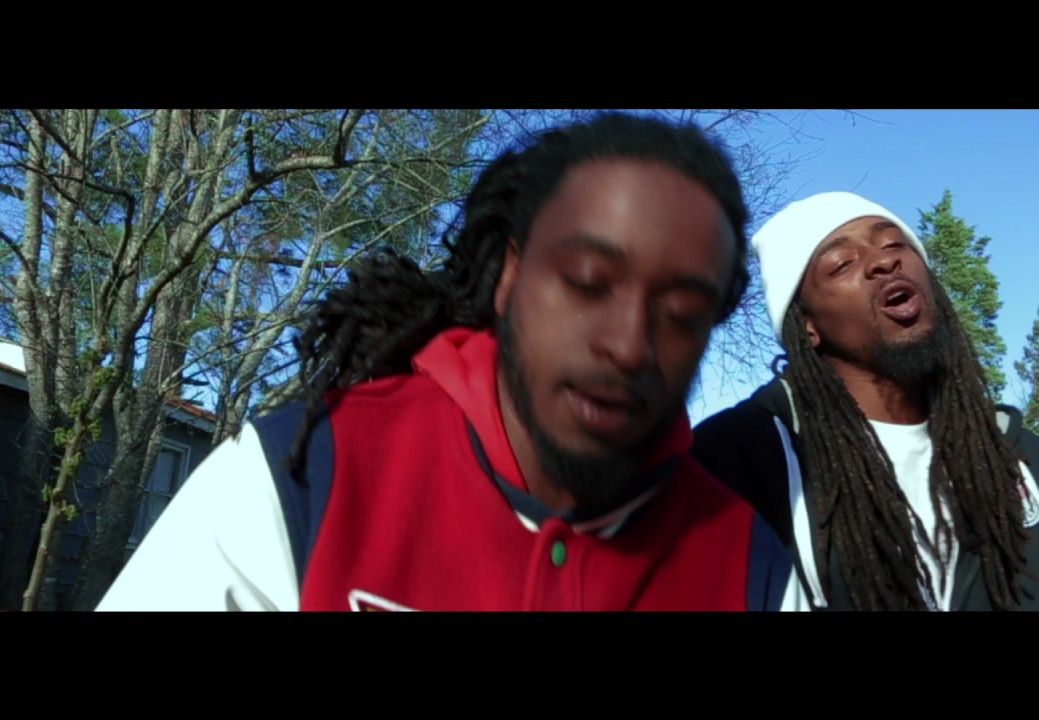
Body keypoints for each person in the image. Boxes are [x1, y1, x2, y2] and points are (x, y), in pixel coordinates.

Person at [96, 112, 808, 612]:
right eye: (588, 282)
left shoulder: (751, 566)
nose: (627, 345)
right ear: (510, 276)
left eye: (681, 313)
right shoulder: (304, 473)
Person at [691, 190, 1039, 611]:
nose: (884, 261)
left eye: (895, 244)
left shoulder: (1031, 467)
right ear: (808, 326)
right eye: (842, 263)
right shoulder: (735, 466)